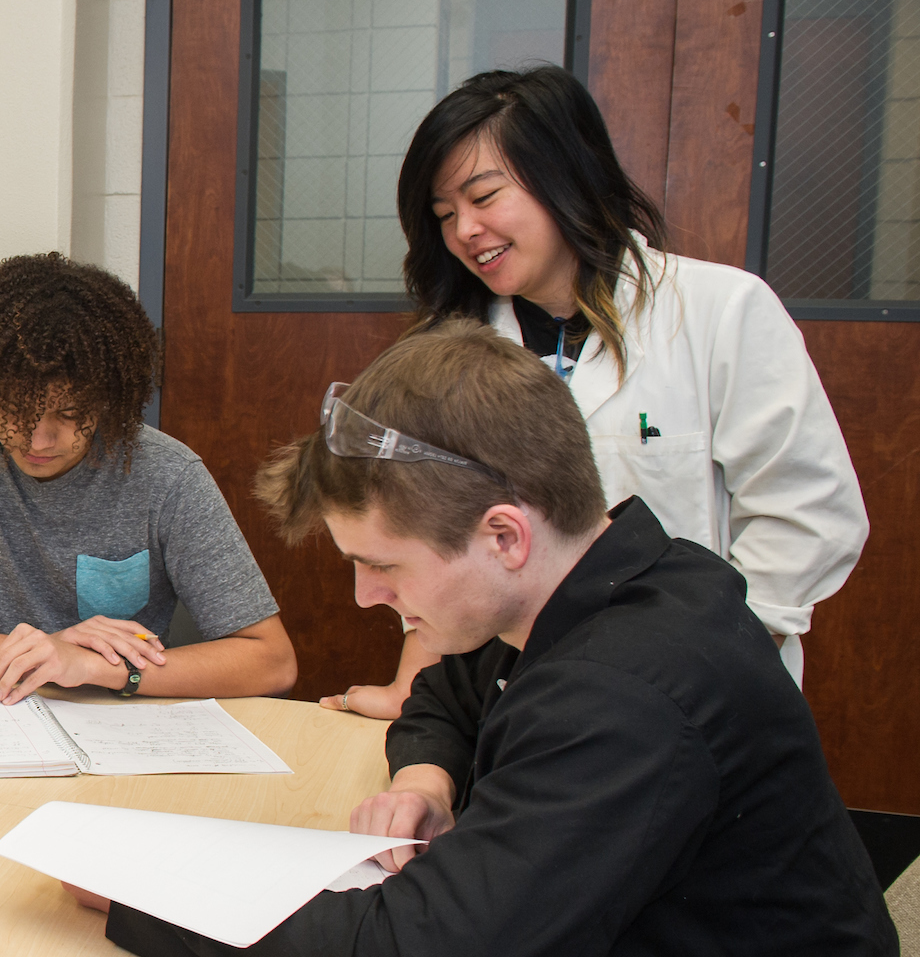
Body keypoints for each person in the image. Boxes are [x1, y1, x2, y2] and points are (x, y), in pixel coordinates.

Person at [73, 323, 914, 957]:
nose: (365, 594)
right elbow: (451, 692)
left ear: (505, 533)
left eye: (384, 564)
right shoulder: (604, 588)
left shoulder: (627, 696)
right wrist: (428, 778)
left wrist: (156, 892)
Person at [331, 65, 865, 718]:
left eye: (485, 196)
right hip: (511, 701)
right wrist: (418, 699)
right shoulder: (449, 354)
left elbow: (809, 515)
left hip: (694, 697)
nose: (464, 230)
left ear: (565, 175)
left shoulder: (719, 311)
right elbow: (432, 542)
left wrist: (706, 658)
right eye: (444, 214)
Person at [0, 254, 295, 704]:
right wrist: (37, 650)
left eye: (70, 414)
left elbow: (271, 661)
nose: (38, 438)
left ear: (110, 400)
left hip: (123, 721)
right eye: (15, 409)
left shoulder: (168, 475)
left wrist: (95, 666)